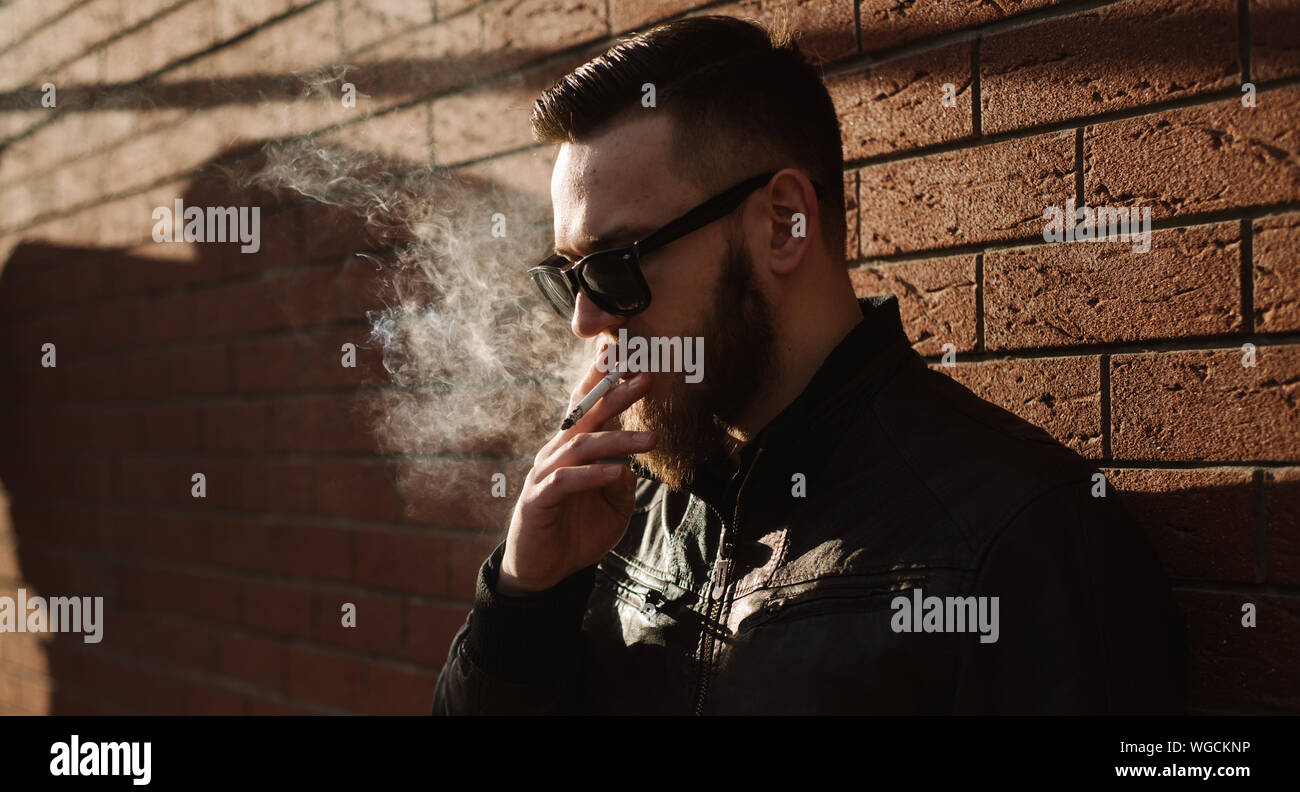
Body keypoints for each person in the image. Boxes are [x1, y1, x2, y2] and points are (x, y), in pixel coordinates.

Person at [431, 15, 1186, 714]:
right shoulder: (616, 514)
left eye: (616, 264)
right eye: (571, 274)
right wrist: (522, 601)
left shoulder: (1017, 539)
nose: (585, 319)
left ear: (786, 223)